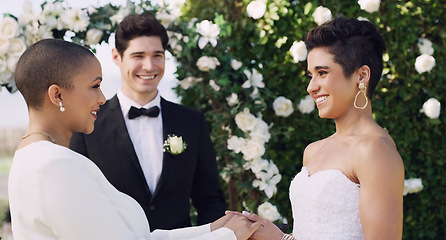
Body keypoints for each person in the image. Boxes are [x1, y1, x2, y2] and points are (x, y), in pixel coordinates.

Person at [8, 38, 261, 240]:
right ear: (57, 95)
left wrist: (212, 230)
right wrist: (228, 237)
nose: (102, 99)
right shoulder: (56, 166)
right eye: (94, 86)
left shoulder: (33, 156)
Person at [231, 17, 405, 240]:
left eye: (322, 73)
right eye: (310, 75)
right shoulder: (313, 151)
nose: (311, 87)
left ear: (361, 76)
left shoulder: (373, 150)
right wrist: (279, 237)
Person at [69, 13, 227, 231]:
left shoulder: (192, 122)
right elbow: (77, 201)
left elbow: (210, 199)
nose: (149, 66)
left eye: (157, 56)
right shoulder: (86, 124)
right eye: (138, 56)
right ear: (117, 57)